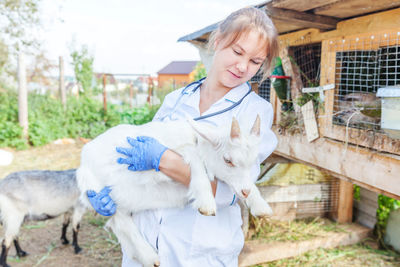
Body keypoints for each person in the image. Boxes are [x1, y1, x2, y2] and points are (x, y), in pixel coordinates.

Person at [87, 7, 279, 267]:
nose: (243, 66)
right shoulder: (175, 100)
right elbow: (142, 168)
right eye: (237, 52)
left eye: (256, 62)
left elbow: (232, 192)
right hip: (146, 240)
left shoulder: (254, 112)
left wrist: (166, 160)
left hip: (197, 250)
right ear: (218, 39)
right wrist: (116, 193)